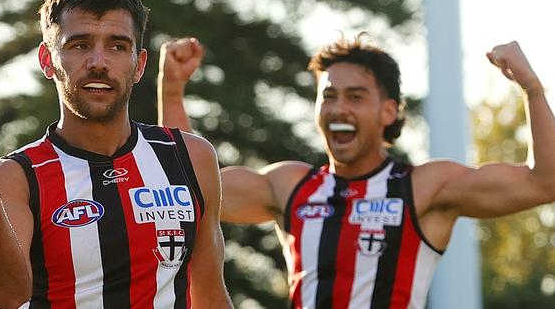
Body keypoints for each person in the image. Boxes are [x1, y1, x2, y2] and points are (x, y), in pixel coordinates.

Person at [158, 35, 555, 308]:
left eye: (355, 96)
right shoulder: (290, 185)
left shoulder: (423, 187)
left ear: (389, 112)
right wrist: (172, 91)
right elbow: (189, 190)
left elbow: (545, 181)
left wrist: (532, 88)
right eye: (328, 96)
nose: (339, 108)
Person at [0, 0, 232, 309]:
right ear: (48, 60)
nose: (98, 62)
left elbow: (209, 297)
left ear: (138, 65)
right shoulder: (15, 176)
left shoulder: (191, 156)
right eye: (79, 45)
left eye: (117, 46)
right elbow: (6, 294)